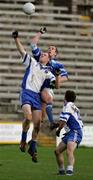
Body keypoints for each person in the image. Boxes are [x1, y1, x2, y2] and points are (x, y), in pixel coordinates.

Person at [12, 30, 56, 163]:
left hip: (36, 96)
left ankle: (33, 147)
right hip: (26, 92)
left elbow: (54, 83)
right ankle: (23, 139)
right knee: (28, 117)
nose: (42, 55)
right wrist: (16, 39)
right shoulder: (32, 62)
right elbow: (22, 51)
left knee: (37, 125)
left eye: (44, 54)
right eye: (42, 54)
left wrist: (56, 79)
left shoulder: (48, 71)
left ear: (48, 59)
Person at [31, 27, 68, 129]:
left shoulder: (57, 65)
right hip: (36, 87)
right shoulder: (42, 57)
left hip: (46, 88)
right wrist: (40, 33)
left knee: (43, 115)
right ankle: (33, 139)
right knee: (40, 119)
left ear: (55, 53)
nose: (49, 49)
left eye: (52, 48)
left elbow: (65, 77)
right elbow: (33, 44)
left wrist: (55, 81)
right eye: (49, 48)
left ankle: (34, 139)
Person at [55, 90, 83, 176]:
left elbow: (63, 121)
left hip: (75, 131)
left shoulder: (68, 106)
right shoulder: (72, 106)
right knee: (57, 151)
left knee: (69, 150)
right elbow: (62, 120)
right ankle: (61, 171)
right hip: (70, 132)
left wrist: (58, 130)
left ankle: (69, 171)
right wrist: (56, 125)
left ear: (65, 97)